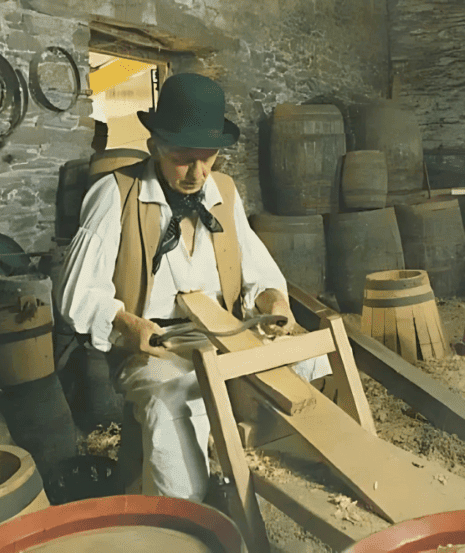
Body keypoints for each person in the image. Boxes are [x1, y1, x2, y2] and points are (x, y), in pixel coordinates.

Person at [56, 72, 331, 502]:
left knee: (310, 361)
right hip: (156, 346)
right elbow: (74, 295)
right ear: (155, 146)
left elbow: (258, 269)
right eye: (184, 158)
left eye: (210, 158)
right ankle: (186, 517)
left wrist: (271, 299)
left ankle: (277, 484)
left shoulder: (223, 191)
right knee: (175, 410)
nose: (199, 173)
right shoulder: (114, 194)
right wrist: (128, 324)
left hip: (224, 333)